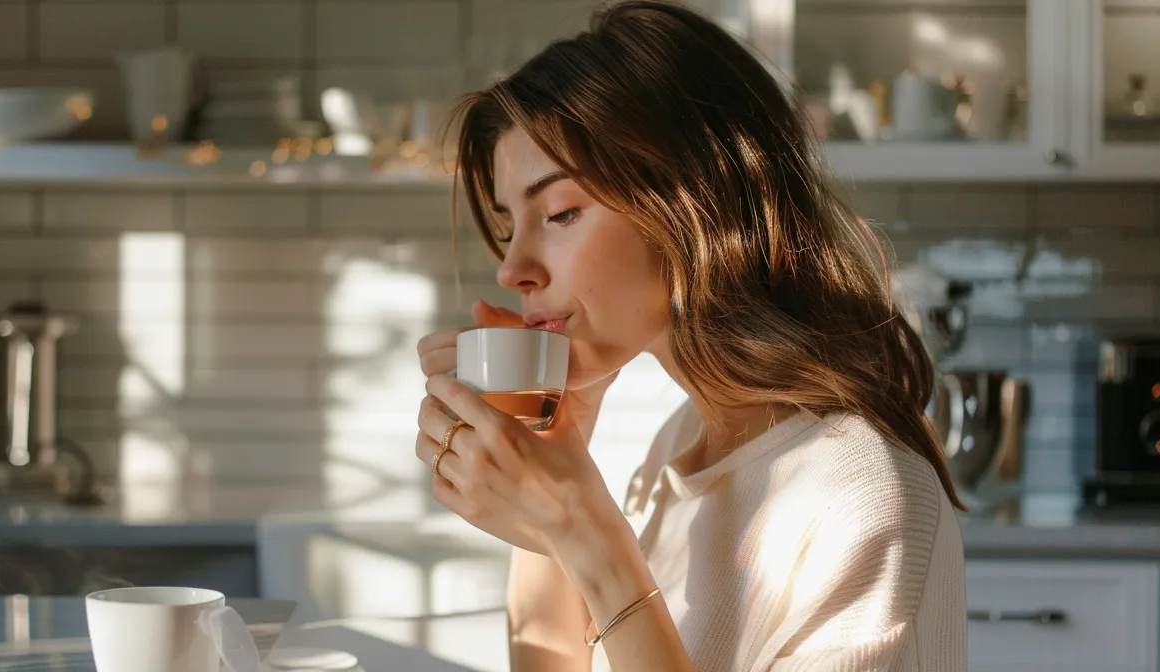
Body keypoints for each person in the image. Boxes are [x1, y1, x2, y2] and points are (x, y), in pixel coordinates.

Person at [412, 2, 967, 670]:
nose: (511, 268)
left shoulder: (860, 497)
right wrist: (558, 475)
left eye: (559, 213)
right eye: (510, 225)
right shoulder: (681, 446)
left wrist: (588, 533)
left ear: (694, 208)